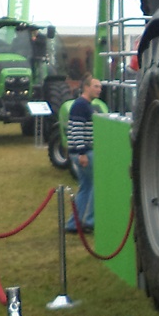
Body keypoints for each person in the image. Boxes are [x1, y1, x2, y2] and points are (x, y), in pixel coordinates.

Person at [65, 75, 103, 233]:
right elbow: (77, 130)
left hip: (81, 151)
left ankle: (74, 224)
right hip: (85, 151)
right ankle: (90, 220)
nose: (99, 90)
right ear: (86, 87)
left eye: (100, 87)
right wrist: (82, 153)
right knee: (96, 184)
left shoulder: (84, 105)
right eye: (96, 86)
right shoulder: (81, 105)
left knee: (86, 187)